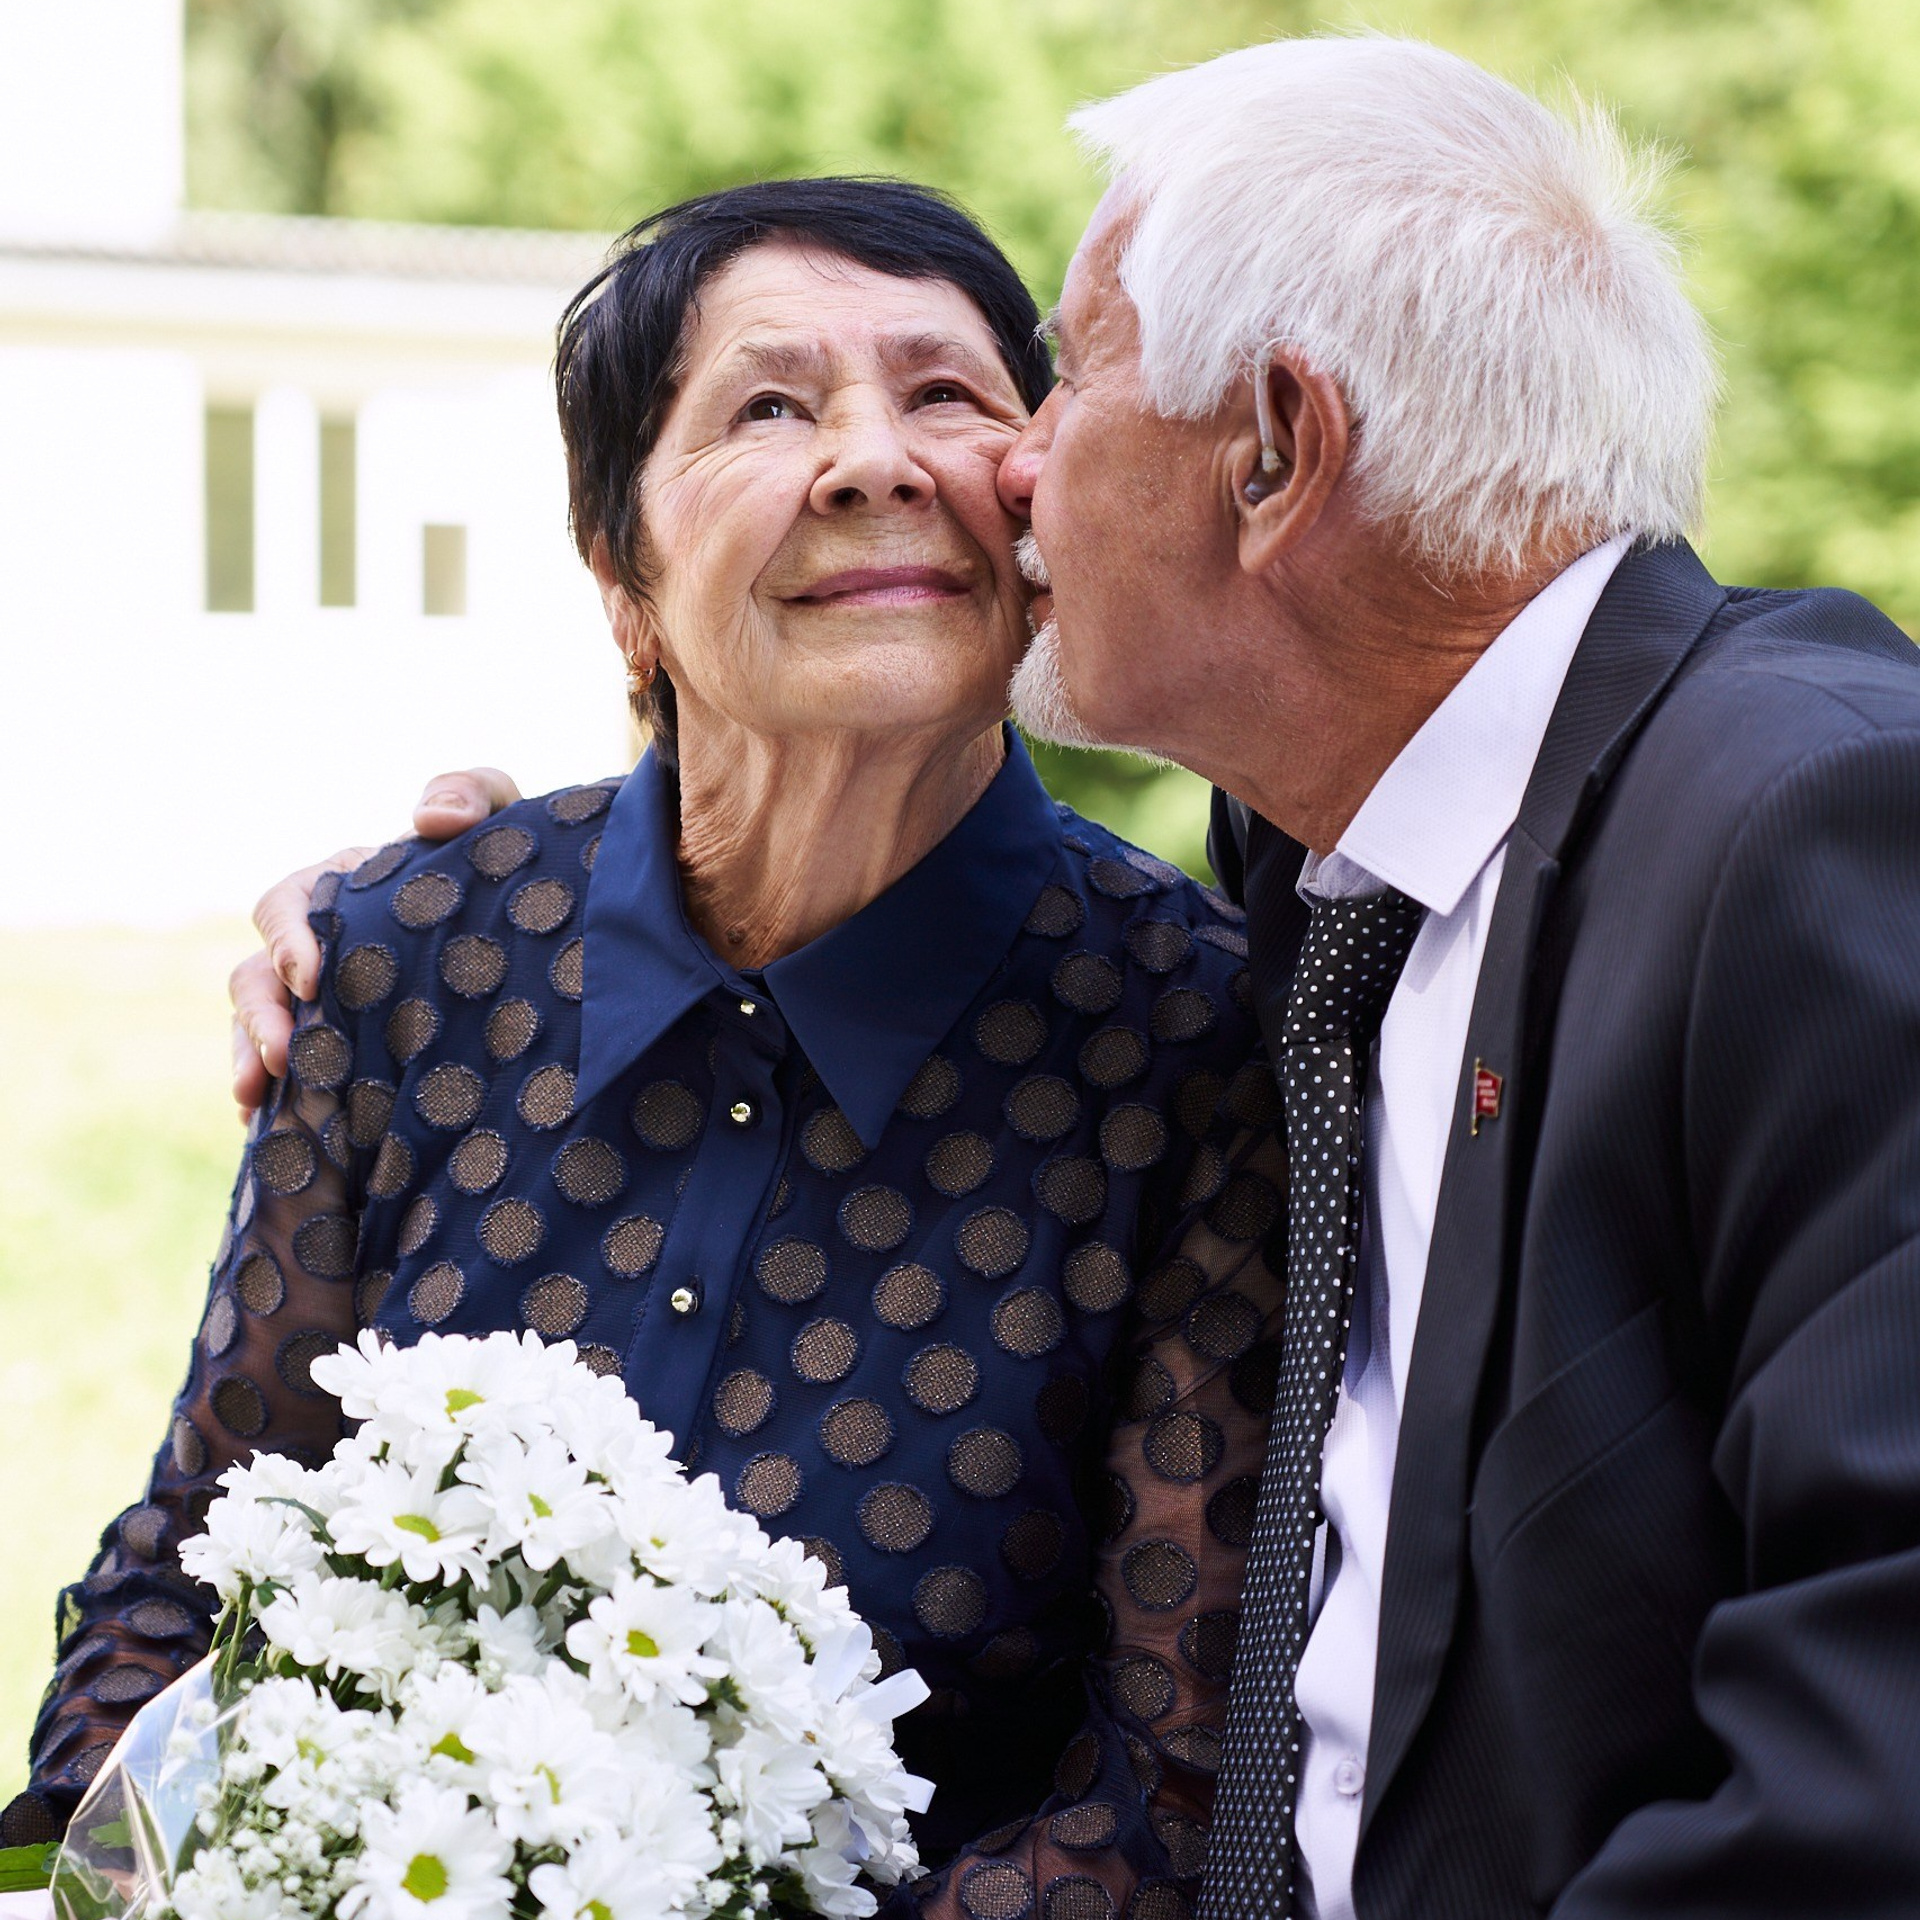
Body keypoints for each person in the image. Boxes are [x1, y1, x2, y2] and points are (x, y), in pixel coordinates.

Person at [237, 35, 1920, 1920]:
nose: (1007, 464)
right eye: (775, 412)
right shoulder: (1342, 876)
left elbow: (1872, 1764)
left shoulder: (1807, 826)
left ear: (1276, 447)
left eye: (1063, 377)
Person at [9, 178, 1291, 1920]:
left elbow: (1167, 1805)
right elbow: (181, 1588)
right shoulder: (405, 962)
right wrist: (162, 1879)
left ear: (1043, 516)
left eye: (947, 396)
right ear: (623, 575)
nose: (873, 459)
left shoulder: (1200, 1045)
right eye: (769, 405)